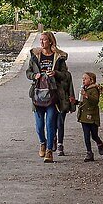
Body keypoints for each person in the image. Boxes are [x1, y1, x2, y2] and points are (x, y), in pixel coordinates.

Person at [25, 30, 70, 162]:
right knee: (39, 125)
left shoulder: (58, 57)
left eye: (44, 40)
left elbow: (66, 75)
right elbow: (28, 73)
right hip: (38, 94)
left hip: (53, 94)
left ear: (50, 41)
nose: (42, 42)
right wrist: (35, 75)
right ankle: (42, 142)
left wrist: (55, 73)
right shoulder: (35, 56)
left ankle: (49, 150)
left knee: (50, 123)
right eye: (41, 40)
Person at [76, 71, 103, 162]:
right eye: (82, 79)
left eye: (85, 79)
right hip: (84, 116)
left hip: (92, 116)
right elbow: (82, 103)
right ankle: (89, 152)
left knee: (94, 135)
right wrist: (75, 102)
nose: (83, 80)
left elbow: (95, 101)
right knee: (86, 135)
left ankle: (99, 143)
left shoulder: (94, 90)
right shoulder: (84, 89)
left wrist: (87, 95)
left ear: (91, 80)